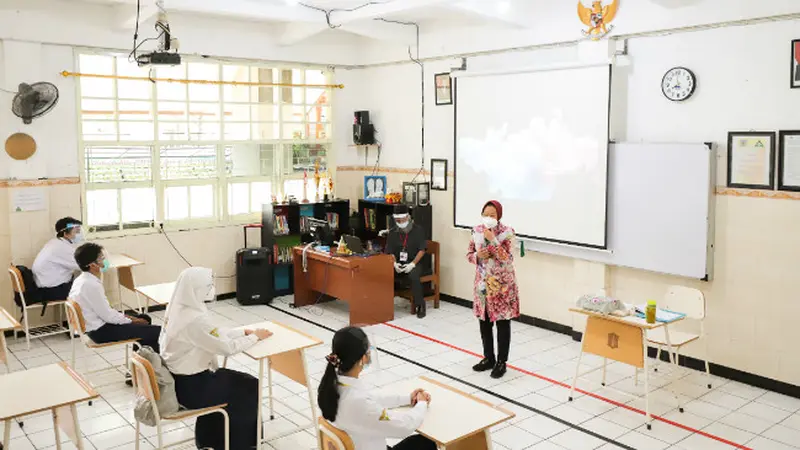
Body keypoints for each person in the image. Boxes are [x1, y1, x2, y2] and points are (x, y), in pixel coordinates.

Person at [159, 267, 272, 450]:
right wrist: (255, 337)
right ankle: (242, 444)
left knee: (237, 381)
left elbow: (212, 334)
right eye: (209, 285)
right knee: (250, 385)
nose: (212, 288)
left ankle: (210, 440)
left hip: (180, 382)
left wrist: (241, 331)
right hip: (193, 388)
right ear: (196, 289)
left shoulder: (179, 309)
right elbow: (226, 348)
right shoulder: (195, 319)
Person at [318, 326, 437, 450]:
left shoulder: (332, 386)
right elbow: (405, 426)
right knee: (426, 444)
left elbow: (371, 399)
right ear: (362, 358)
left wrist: (407, 399)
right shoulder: (358, 401)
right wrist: (422, 404)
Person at [71, 243, 161, 352]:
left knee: (145, 318)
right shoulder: (91, 285)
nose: (104, 261)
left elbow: (106, 312)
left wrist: (131, 319)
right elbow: (108, 316)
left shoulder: (81, 280)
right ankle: (145, 364)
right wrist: (131, 320)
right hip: (100, 332)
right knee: (158, 331)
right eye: (101, 258)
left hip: (95, 325)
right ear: (92, 265)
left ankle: (140, 359)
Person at [466, 200, 519, 379]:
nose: (488, 218)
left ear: (499, 216)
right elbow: (469, 254)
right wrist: (477, 256)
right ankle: (488, 358)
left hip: (502, 285)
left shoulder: (508, 233)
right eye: (486, 214)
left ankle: (501, 362)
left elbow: (507, 258)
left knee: (503, 322)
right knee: (485, 321)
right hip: (482, 284)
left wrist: (493, 240)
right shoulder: (476, 230)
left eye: (492, 215)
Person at [385, 204, 428, 318]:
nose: (399, 222)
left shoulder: (418, 230)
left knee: (414, 276)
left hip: (415, 262)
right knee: (384, 273)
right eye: (397, 220)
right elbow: (389, 251)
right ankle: (383, 304)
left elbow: (422, 250)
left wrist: (412, 264)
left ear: (408, 217)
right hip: (399, 262)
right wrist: (394, 263)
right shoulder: (393, 232)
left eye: (401, 219)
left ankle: (420, 305)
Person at [32, 217, 84, 303]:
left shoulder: (55, 243)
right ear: (65, 234)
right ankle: (81, 316)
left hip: (44, 287)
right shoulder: (62, 248)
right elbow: (84, 265)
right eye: (77, 231)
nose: (80, 234)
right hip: (51, 290)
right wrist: (104, 262)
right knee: (87, 288)